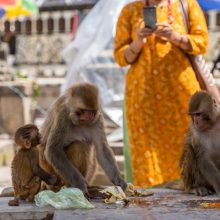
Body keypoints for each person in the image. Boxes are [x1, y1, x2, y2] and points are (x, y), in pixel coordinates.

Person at [114, 0, 208, 187]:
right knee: (148, 158)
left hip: (181, 98)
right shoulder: (130, 11)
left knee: (189, 147)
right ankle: (151, 211)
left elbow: (202, 43)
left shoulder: (187, 5)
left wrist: (175, 36)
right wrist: (139, 40)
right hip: (143, 102)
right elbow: (121, 58)